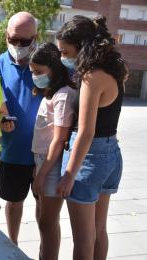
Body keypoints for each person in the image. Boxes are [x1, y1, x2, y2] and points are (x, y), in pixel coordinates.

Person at [55, 15, 128, 260]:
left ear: (81, 47)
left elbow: (86, 132)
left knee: (83, 239)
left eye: (65, 52)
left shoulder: (90, 77)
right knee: (98, 232)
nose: (63, 58)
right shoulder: (112, 70)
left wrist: (68, 175)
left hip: (89, 158)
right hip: (110, 154)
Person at [0, 11, 42, 244]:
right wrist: (0, 121)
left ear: (36, 38)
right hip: (11, 152)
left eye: (25, 41)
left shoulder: (47, 65)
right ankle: (13, 244)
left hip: (44, 154)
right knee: (14, 202)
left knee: (45, 206)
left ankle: (45, 247)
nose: (18, 45)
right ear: (6, 35)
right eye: (13, 39)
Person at [30, 43, 77, 260]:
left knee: (48, 223)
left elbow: (59, 140)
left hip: (51, 164)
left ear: (53, 68)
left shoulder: (63, 94)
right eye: (32, 72)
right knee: (43, 220)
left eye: (39, 72)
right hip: (41, 161)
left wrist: (41, 174)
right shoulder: (51, 92)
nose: (35, 76)